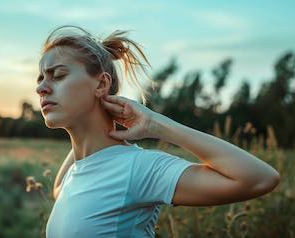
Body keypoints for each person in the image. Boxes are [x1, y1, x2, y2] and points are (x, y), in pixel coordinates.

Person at [35, 25, 280, 238]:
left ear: (101, 84)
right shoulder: (75, 172)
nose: (41, 88)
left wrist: (155, 124)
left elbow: (260, 179)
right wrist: (89, 131)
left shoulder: (138, 168)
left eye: (57, 75)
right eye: (40, 79)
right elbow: (60, 189)